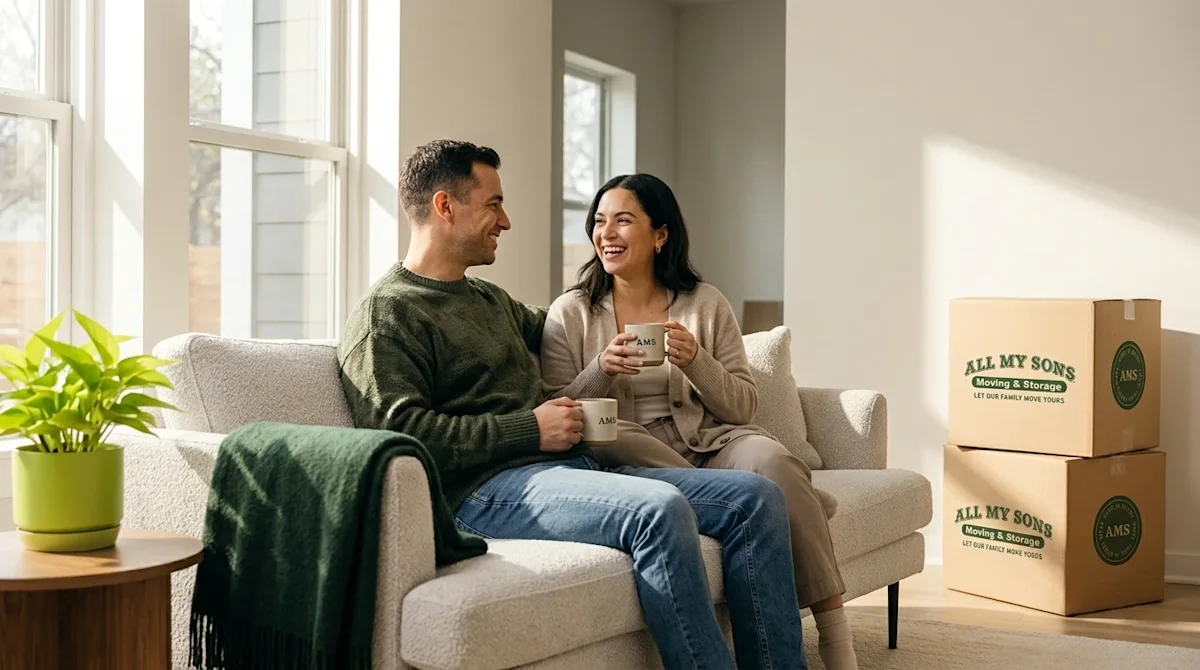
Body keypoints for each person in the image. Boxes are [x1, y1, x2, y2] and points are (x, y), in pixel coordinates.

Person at [337, 139, 809, 670]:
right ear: (445, 206)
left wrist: (651, 319)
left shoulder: (488, 299)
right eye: (494, 204)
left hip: (568, 468)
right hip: (482, 491)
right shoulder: (387, 314)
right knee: (657, 511)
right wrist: (530, 429)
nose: (506, 221)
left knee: (756, 498)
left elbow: (570, 322)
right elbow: (399, 436)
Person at [539, 173, 859, 670]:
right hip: (628, 449)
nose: (607, 233)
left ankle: (837, 639)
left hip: (710, 443)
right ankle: (771, 500)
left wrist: (697, 362)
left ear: (660, 234)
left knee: (773, 460)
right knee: (618, 434)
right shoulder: (570, 312)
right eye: (599, 222)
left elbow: (743, 407)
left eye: (623, 220)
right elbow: (558, 411)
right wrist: (601, 369)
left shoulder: (705, 303)